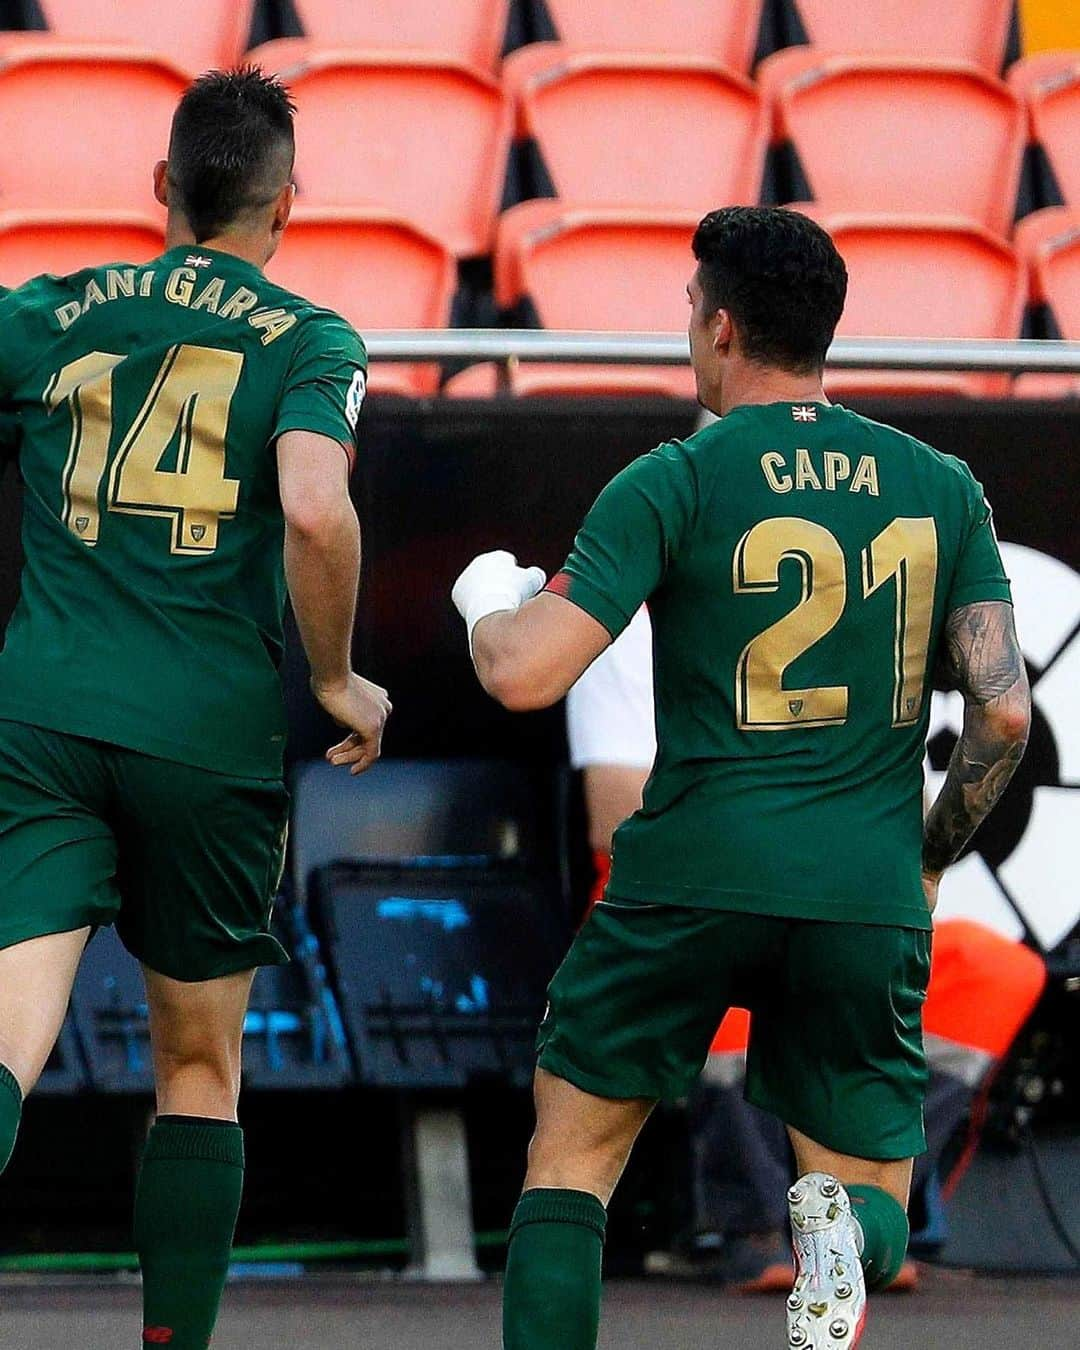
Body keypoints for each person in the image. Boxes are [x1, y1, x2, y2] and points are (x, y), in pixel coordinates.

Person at [451, 205, 1031, 1349]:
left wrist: (484, 601)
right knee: (875, 1209)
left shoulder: (676, 476)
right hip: (861, 887)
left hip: (691, 875)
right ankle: (847, 1231)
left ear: (720, 327)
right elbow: (1003, 713)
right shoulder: (943, 485)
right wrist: (924, 853)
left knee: (570, 1161)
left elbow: (524, 675)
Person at [0, 68, 389, 1348]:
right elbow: (318, 510)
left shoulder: (54, 310)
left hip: (44, 714)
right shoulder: (312, 336)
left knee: (7, 1038)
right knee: (200, 1071)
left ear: (163, 187)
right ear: (287, 204)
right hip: (208, 739)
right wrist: (333, 679)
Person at [568, 615, 1045, 1292]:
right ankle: (752, 1227)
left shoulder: (850, 616)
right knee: (731, 947)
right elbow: (612, 815)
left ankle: (865, 1214)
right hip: (671, 884)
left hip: (828, 887)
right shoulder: (635, 622)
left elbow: (903, 810)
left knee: (992, 973)